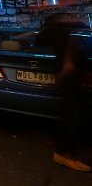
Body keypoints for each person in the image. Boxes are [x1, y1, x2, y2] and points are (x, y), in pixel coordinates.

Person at [38, 14, 90, 172]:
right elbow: (68, 61)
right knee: (72, 117)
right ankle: (66, 155)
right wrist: (68, 67)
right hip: (71, 81)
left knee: (70, 116)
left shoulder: (63, 32)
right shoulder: (65, 33)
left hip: (70, 80)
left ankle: (63, 152)